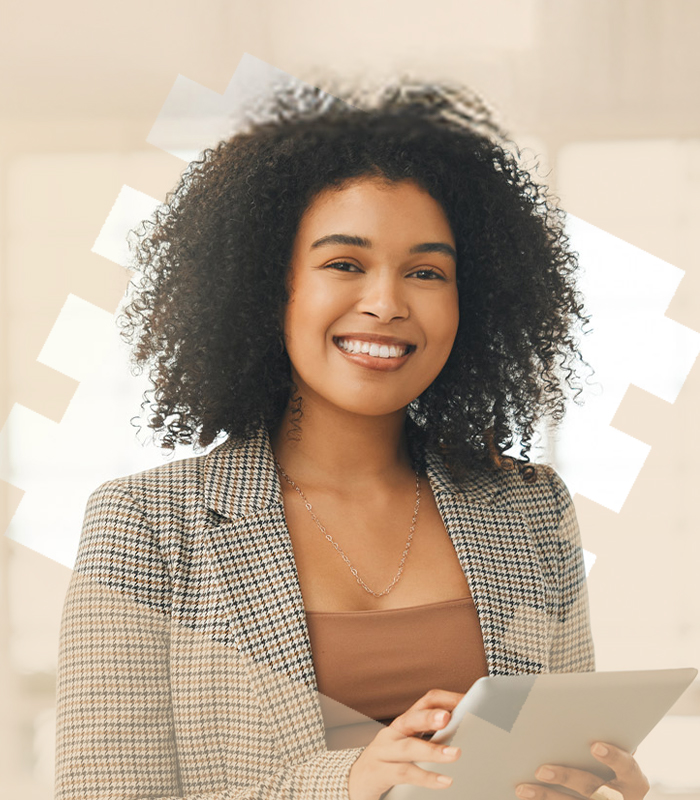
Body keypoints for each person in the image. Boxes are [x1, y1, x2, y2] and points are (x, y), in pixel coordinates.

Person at [54, 80, 650, 800]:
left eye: (426, 272)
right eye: (344, 263)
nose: (387, 303)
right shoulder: (145, 526)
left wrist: (588, 786)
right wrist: (351, 781)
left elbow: (556, 757)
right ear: (269, 286)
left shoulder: (530, 508)